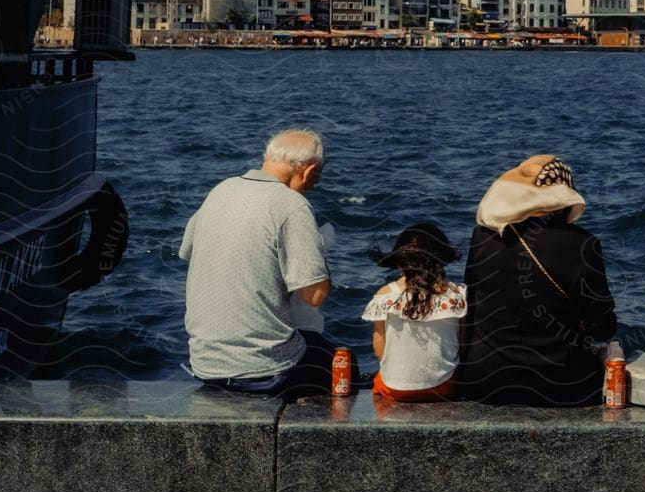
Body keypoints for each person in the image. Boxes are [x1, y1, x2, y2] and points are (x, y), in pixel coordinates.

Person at [179, 128, 333, 394]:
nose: (312, 187)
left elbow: (187, 252)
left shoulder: (221, 190)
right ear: (308, 171)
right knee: (340, 366)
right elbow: (315, 294)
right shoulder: (292, 205)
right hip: (263, 370)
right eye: (315, 180)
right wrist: (319, 249)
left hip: (205, 363)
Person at [457, 153, 617, 406]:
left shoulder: (483, 238)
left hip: (484, 381)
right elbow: (603, 327)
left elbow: (471, 306)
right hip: (562, 384)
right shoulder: (583, 243)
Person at [362, 221, 465, 403]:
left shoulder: (384, 296)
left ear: (400, 262)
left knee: (377, 381)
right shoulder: (455, 295)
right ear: (442, 260)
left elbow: (379, 351)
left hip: (393, 389)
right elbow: (462, 345)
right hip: (443, 387)